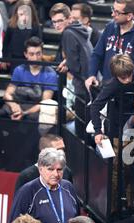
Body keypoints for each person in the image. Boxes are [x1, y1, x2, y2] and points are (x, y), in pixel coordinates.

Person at [90, 54, 134, 214]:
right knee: (115, 173)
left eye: (130, 75)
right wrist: (98, 131)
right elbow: (95, 106)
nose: (128, 79)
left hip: (130, 132)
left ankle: (130, 205)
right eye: (124, 77)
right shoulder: (112, 86)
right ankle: (113, 209)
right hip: (115, 133)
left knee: (130, 170)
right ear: (116, 75)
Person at [85, 0, 134, 89]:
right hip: (107, 85)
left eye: (117, 12)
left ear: (129, 16)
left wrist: (127, 79)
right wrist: (92, 74)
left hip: (127, 89)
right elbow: (97, 53)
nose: (112, 14)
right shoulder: (110, 27)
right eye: (113, 10)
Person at [50, 2, 93, 139]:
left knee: (82, 132)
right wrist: (67, 61)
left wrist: (68, 65)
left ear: (69, 19)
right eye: (54, 22)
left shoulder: (68, 34)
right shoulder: (78, 29)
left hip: (83, 85)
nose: (57, 25)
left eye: (60, 21)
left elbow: (75, 66)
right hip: (89, 83)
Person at [0, 36, 57, 121]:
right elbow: (7, 94)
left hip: (36, 110)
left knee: (31, 119)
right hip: (17, 105)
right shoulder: (19, 70)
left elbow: (45, 103)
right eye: (31, 54)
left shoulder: (50, 73)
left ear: (42, 53)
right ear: (26, 54)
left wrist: (24, 113)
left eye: (38, 53)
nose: (35, 58)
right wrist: (14, 105)